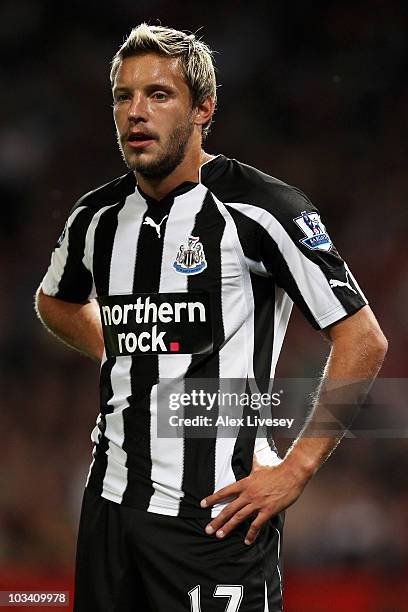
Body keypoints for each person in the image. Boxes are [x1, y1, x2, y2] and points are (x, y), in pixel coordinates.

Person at [35, 23, 387, 612]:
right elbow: (56, 302)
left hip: (218, 522)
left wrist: (298, 467)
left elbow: (362, 339)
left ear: (204, 108)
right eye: (123, 96)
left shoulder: (261, 208)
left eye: (158, 95)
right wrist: (130, 353)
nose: (136, 113)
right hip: (110, 513)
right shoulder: (94, 217)